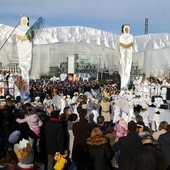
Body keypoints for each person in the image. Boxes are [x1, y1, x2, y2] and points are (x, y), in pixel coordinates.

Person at [15, 16, 32, 95]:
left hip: (27, 47)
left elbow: (31, 36)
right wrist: (22, 38)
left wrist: (25, 38)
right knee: (22, 62)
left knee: (26, 64)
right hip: (21, 46)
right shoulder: (18, 28)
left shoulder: (29, 28)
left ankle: (26, 89)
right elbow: (17, 36)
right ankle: (25, 89)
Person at [119, 24, 134, 89]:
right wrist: (124, 46)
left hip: (128, 51)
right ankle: (123, 86)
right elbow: (120, 43)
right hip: (122, 50)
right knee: (122, 65)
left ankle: (125, 85)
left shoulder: (131, 36)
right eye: (125, 29)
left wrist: (127, 46)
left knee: (128, 65)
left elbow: (132, 43)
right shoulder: (121, 36)